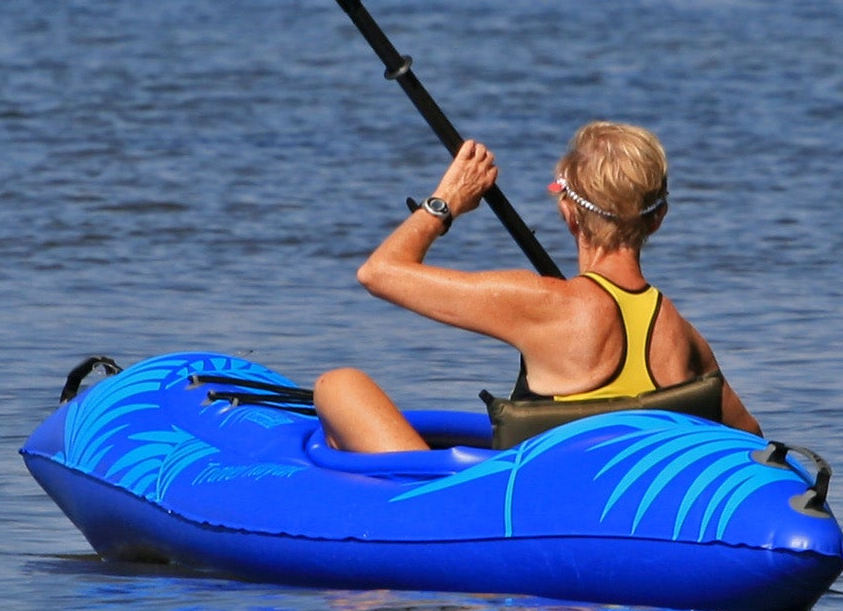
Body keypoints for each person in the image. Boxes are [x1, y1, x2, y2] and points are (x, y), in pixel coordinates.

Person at [315, 120, 758, 452]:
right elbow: (750, 438)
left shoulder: (546, 303)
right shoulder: (679, 331)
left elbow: (379, 272)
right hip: (620, 512)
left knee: (339, 385)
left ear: (568, 214)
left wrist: (445, 202)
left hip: (528, 515)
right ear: (658, 218)